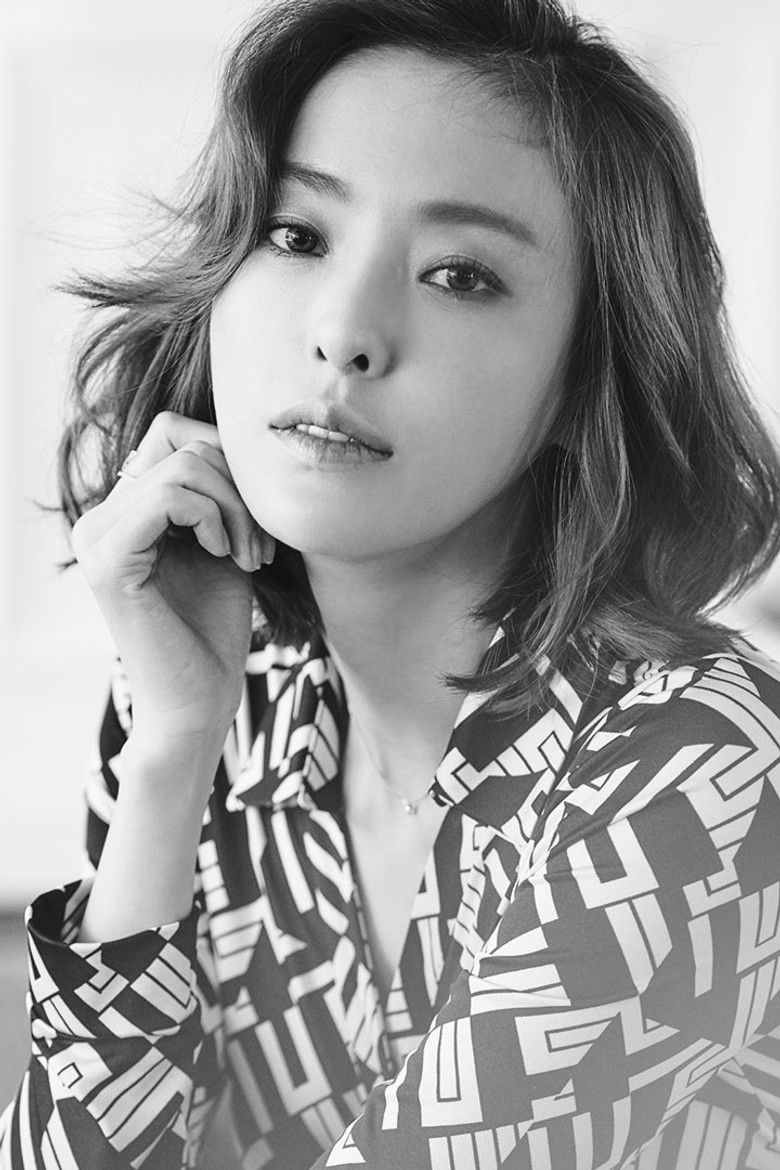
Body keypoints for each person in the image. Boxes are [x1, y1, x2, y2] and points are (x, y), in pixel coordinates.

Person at [2, 0, 780, 1166]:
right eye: (297, 235)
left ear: (582, 385)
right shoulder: (220, 710)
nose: (346, 332)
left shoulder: (705, 765)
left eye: (460, 274)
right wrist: (169, 753)